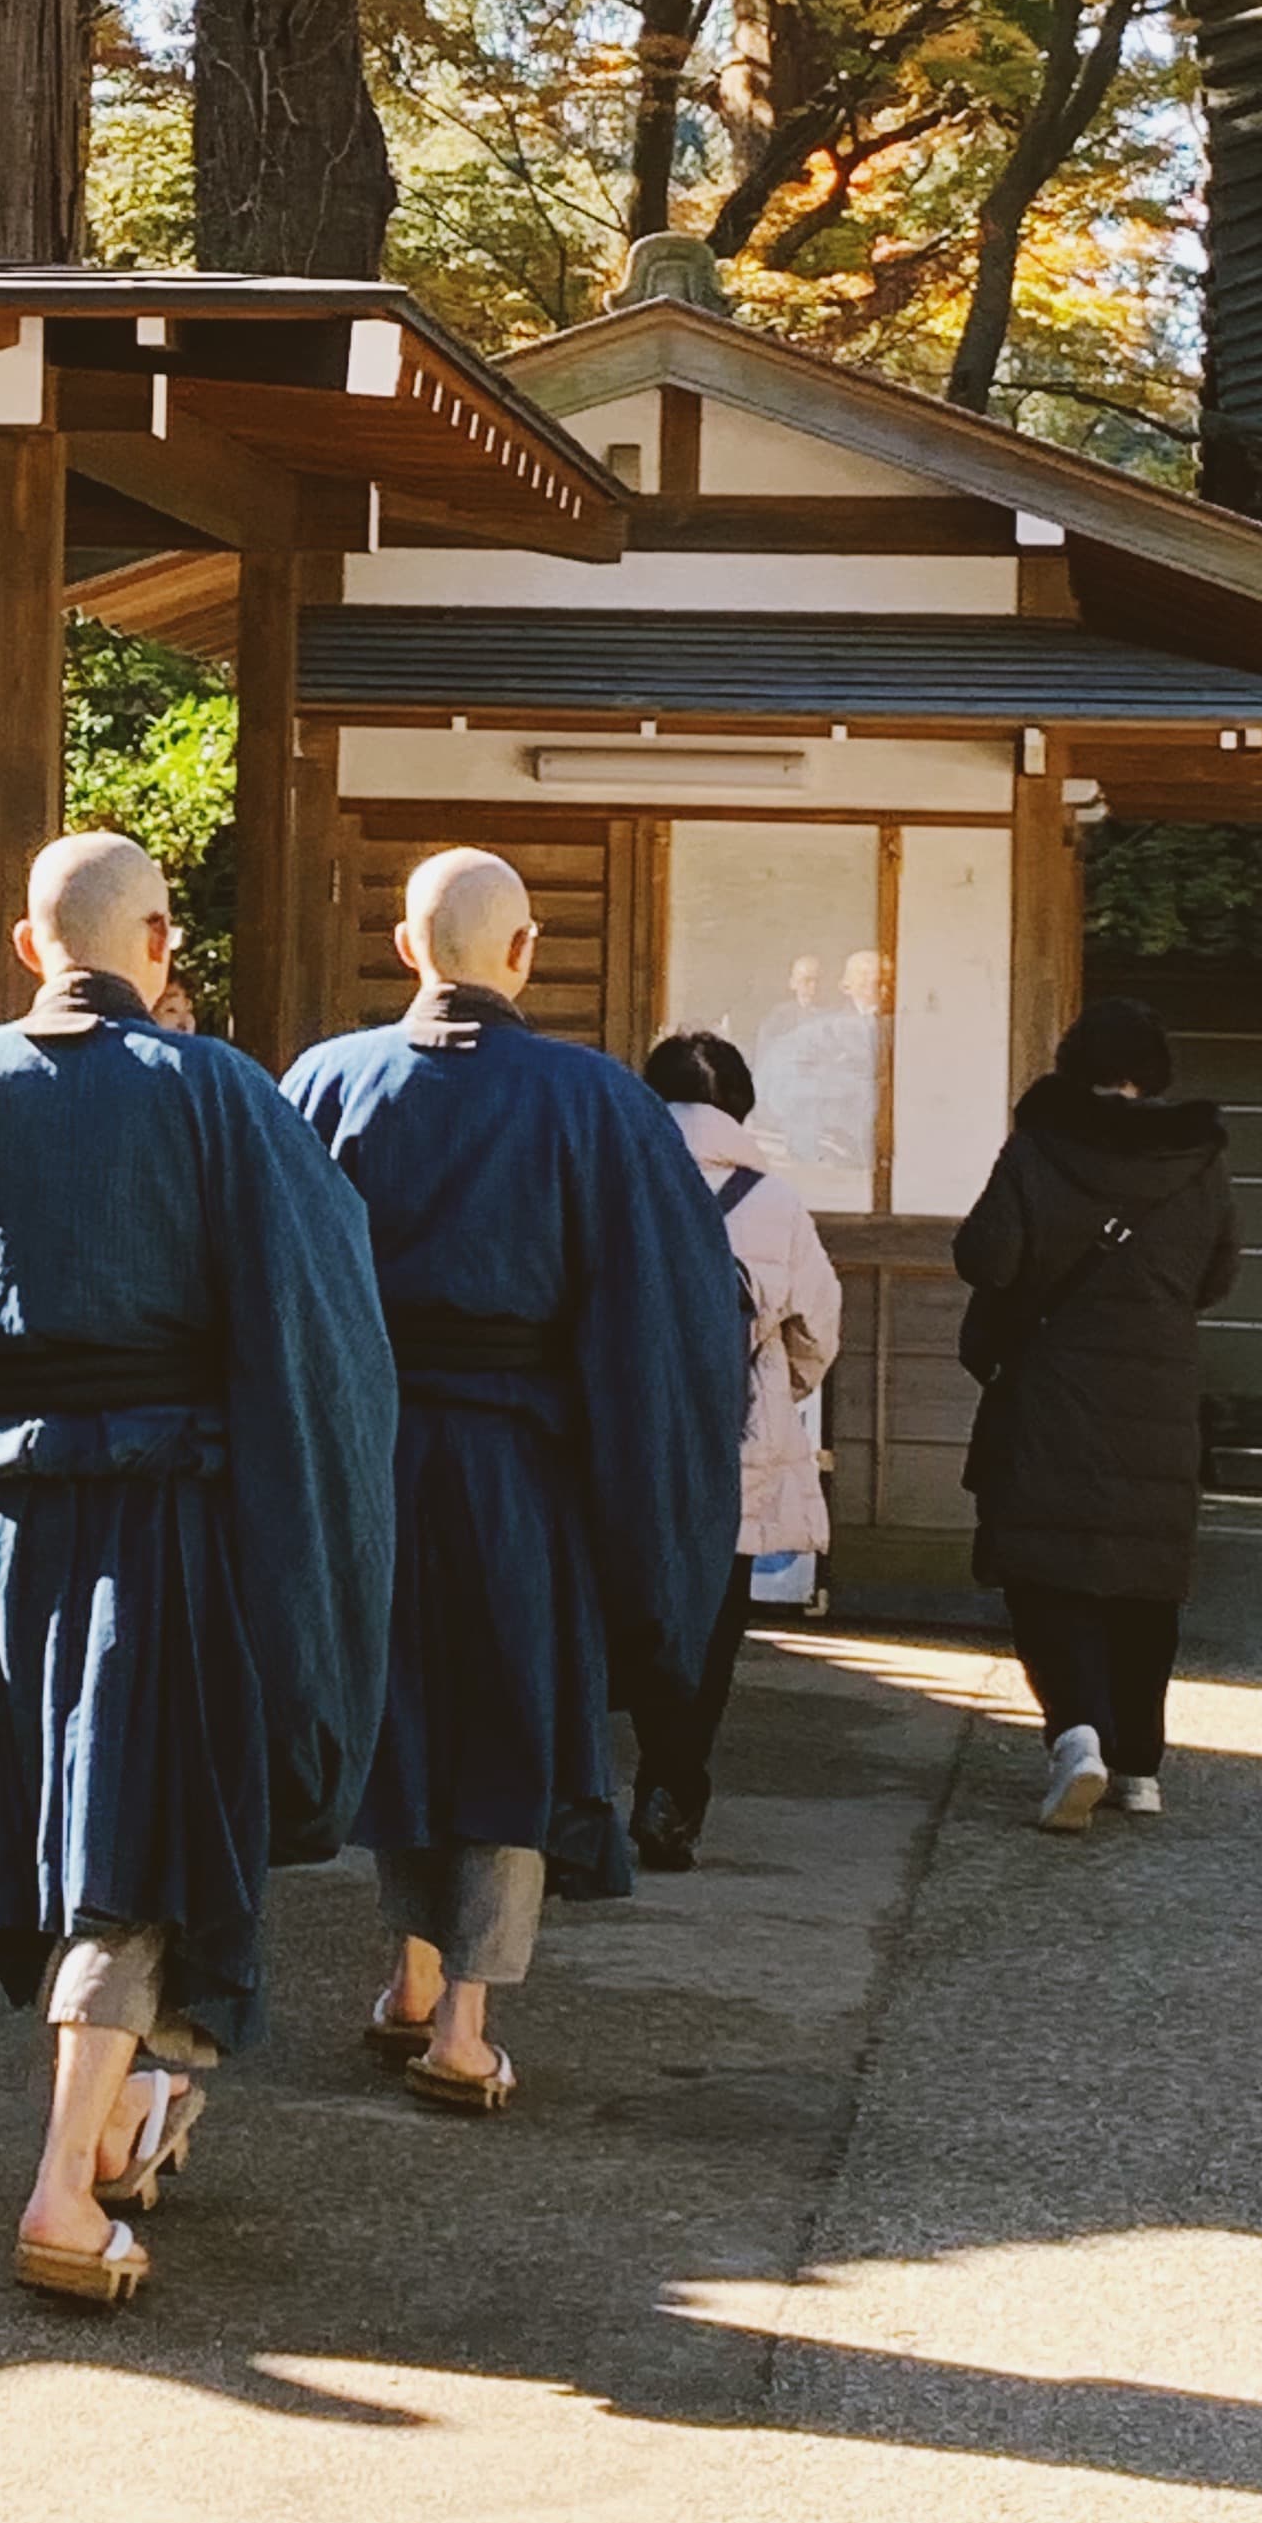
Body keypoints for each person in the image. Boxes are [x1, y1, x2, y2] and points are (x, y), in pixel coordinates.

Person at [0, 831, 396, 2308]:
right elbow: (317, 1321)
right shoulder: (216, 1087)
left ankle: (116, 2118)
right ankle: (56, 2184)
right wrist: (314, 1533)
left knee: (71, 1820)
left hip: (0, 1520)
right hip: (167, 1516)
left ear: (32, 947)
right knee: (139, 1835)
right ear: (160, 943)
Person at [282, 849, 740, 2114]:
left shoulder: (326, 1080)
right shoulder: (592, 1101)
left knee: (404, 1708)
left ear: (402, 946)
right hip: (519, 1467)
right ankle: (462, 2030)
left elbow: (273, 1287)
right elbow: (668, 1316)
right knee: (509, 1716)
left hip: (371, 1458)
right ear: (523, 953)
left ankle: (410, 1976)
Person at [955, 996, 1237, 1831]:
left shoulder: (1040, 1143)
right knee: (1145, 1582)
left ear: (1073, 1066)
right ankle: (1141, 1766)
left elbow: (987, 1254)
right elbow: (1218, 1276)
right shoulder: (1199, 1157)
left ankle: (1077, 1734)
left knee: (1049, 1568)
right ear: (1153, 1073)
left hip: (1053, 1392)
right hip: (1156, 1397)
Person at [625, 1030, 843, 1871]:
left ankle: (616, 1774)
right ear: (741, 1107)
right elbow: (818, 1330)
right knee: (714, 1627)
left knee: (636, 1610)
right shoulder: (776, 1200)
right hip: (733, 1442)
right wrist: (775, 1393)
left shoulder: (620, 1175)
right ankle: (672, 1788)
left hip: (629, 1432)